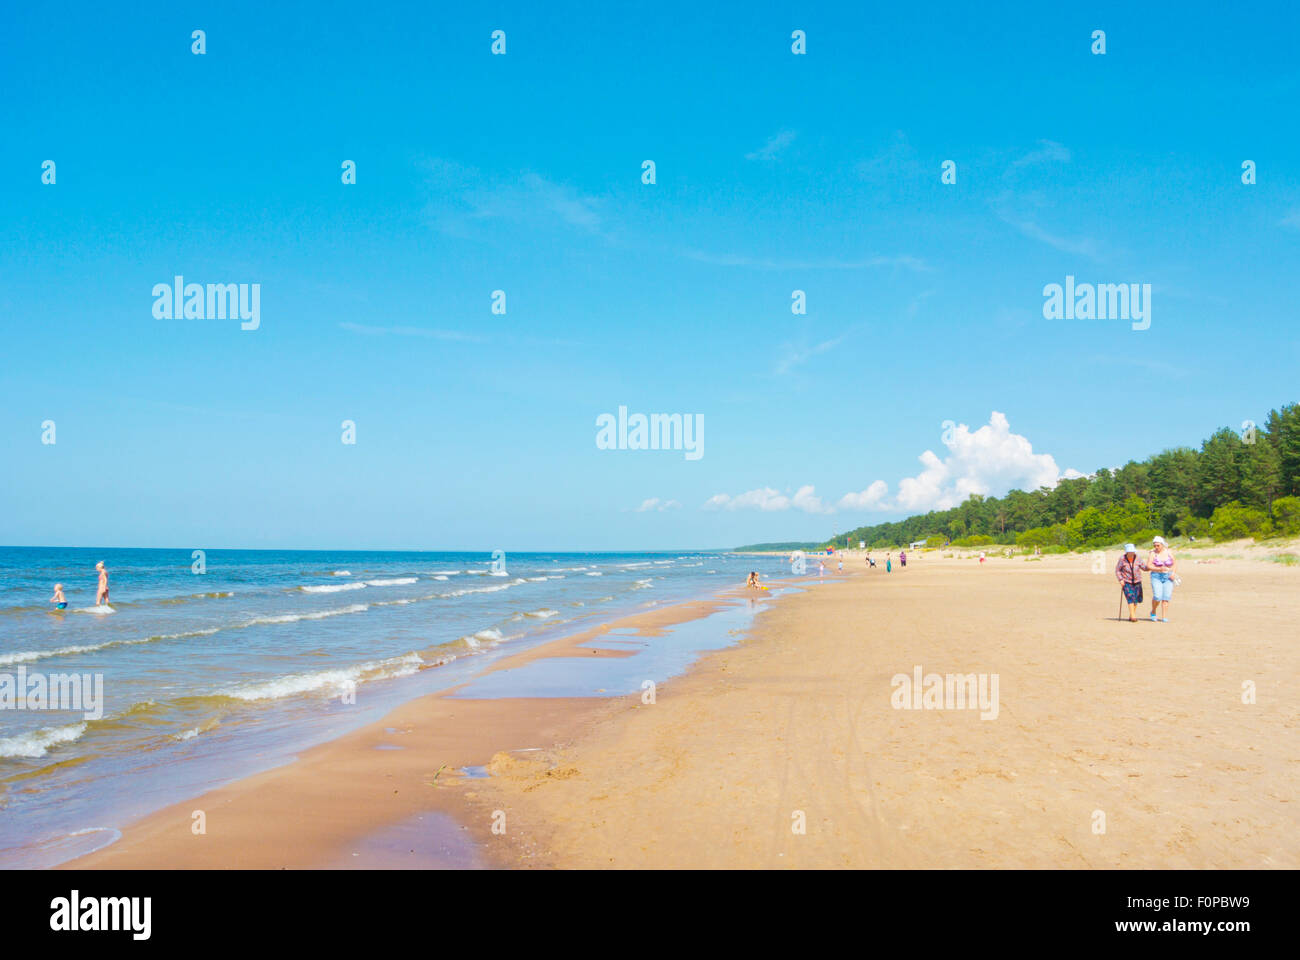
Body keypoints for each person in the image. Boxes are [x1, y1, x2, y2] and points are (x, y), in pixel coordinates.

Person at [1114, 544, 1146, 621]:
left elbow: (1144, 567)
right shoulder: (1122, 559)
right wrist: (1121, 579)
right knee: (1130, 597)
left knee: (1136, 599)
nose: (1131, 553)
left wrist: (1151, 566)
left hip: (1137, 581)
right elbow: (1117, 570)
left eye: (1132, 552)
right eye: (1129, 552)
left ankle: (1132, 614)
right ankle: (1133, 616)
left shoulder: (1138, 558)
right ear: (1126, 552)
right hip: (1126, 581)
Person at [1147, 536, 1176, 622]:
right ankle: (1153, 611)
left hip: (1168, 576)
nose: (1156, 547)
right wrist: (1159, 569)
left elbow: (1174, 563)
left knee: (1166, 597)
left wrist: (1173, 573)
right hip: (1156, 576)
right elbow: (1148, 566)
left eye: (1158, 545)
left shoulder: (1168, 552)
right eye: (1155, 545)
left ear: (1162, 545)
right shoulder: (1152, 553)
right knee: (1157, 596)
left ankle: (1164, 617)